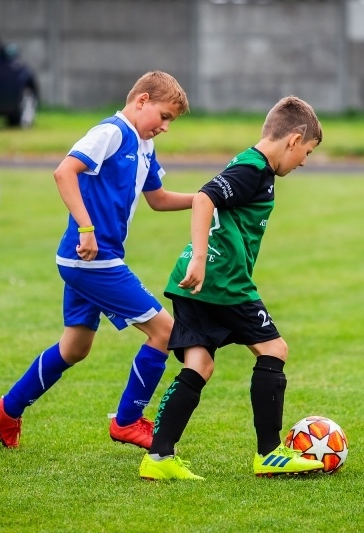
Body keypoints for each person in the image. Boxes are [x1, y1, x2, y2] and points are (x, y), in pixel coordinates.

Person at [0, 71, 193, 450]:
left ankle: (7, 409)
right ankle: (127, 421)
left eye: (171, 122)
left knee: (75, 347)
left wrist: (207, 198)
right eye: (163, 116)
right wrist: (86, 227)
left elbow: (158, 198)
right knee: (166, 331)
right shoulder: (111, 132)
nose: (165, 127)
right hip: (94, 259)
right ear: (141, 100)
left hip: (90, 261)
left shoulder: (144, 145)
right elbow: (64, 171)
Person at [139, 96, 325, 480]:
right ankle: (270, 454)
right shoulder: (254, 168)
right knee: (274, 349)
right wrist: (201, 257)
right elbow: (205, 197)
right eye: (305, 152)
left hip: (193, 284)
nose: (304, 161)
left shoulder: (253, 166)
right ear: (293, 140)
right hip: (222, 280)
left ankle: (158, 459)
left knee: (200, 364)